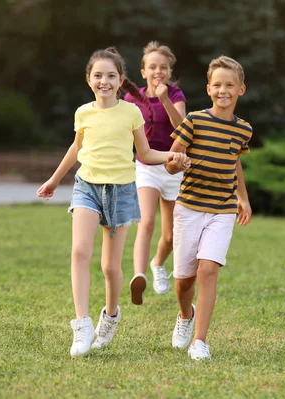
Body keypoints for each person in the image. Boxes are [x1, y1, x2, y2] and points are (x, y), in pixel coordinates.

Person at [36, 47, 190, 358]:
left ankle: (110, 315)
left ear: (121, 80)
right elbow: (76, 148)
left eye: (110, 76)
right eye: (98, 75)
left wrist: (172, 155)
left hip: (121, 191)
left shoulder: (131, 112)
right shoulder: (83, 113)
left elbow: (145, 154)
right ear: (88, 79)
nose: (103, 81)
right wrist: (54, 179)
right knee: (79, 250)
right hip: (87, 188)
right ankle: (81, 324)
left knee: (109, 267)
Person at [165, 55, 253, 361]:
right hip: (189, 208)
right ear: (208, 88)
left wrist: (242, 197)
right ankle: (185, 315)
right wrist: (179, 162)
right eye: (217, 85)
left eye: (229, 85)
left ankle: (199, 341)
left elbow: (235, 162)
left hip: (222, 210)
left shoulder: (243, 130)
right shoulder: (194, 121)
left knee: (208, 269)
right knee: (183, 281)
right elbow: (171, 163)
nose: (223, 90)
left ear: (241, 89)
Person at [122, 41, 187, 305]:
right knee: (146, 222)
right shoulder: (131, 98)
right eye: (152, 67)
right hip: (146, 167)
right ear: (143, 71)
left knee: (171, 236)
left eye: (163, 67)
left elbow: (182, 128)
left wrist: (163, 99)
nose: (158, 71)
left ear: (169, 72)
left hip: (173, 165)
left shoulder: (175, 95)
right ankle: (139, 276)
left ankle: (158, 264)